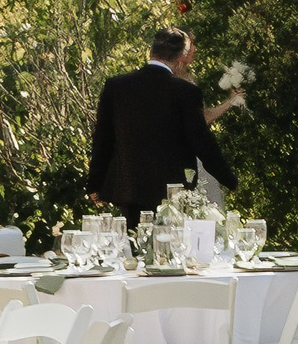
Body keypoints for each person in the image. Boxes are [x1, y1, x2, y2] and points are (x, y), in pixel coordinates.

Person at [89, 28, 236, 228]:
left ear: (151, 51)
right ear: (180, 57)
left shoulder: (117, 86)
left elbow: (103, 138)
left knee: (137, 247)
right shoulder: (186, 92)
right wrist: (228, 178)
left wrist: (95, 183)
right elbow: (201, 142)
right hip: (172, 192)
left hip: (130, 186)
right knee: (171, 249)